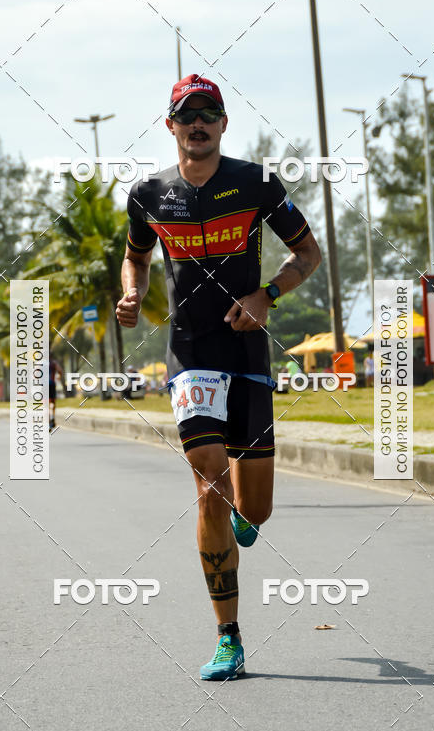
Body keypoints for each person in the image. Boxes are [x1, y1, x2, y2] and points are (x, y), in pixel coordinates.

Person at [116, 74, 321, 680]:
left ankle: (243, 519)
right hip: (191, 352)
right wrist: (133, 293)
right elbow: (135, 256)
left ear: (224, 124)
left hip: (247, 352)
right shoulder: (148, 194)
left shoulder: (256, 183)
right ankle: (228, 637)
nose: (198, 123)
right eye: (187, 115)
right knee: (208, 481)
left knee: (255, 509)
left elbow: (307, 254)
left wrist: (267, 295)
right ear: (171, 126)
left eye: (209, 113)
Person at [48, 352, 64, 430]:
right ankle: (53, 418)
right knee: (53, 403)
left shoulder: (40, 363)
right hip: (52, 384)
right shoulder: (54, 363)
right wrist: (59, 377)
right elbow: (60, 371)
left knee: (46, 404)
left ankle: (48, 421)